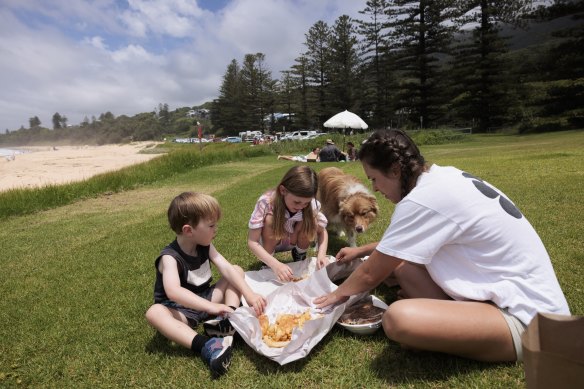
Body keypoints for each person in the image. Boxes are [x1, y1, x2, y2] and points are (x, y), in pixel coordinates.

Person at [315, 129, 570, 362]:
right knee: (402, 266)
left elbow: (371, 273)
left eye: (374, 179)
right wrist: (360, 250)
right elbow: (397, 247)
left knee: (399, 318)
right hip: (512, 297)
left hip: (530, 323)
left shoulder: (421, 200)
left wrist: (335, 296)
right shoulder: (442, 178)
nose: (375, 189)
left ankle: (437, 329)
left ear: (395, 169)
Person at [145, 192, 267, 377]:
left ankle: (227, 321)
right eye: (211, 225)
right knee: (154, 313)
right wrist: (213, 306)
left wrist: (249, 294)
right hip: (180, 310)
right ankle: (206, 345)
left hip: (207, 298)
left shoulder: (205, 245)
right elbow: (173, 292)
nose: (215, 229)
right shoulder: (170, 258)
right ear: (188, 230)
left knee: (236, 270)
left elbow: (226, 268)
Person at [248, 165, 330, 282]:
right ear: (283, 190)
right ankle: (268, 264)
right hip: (271, 241)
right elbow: (252, 242)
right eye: (297, 202)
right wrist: (275, 265)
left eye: (306, 203)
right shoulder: (266, 202)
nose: (301, 207)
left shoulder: (310, 205)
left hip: (294, 239)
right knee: (270, 220)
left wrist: (321, 255)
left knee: (312, 220)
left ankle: (299, 256)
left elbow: (322, 232)